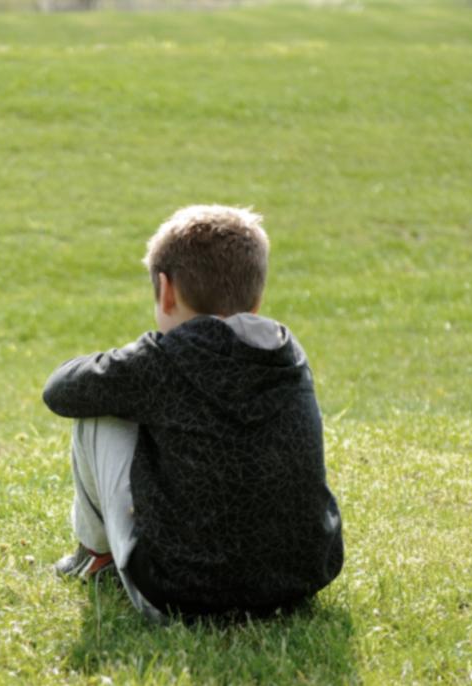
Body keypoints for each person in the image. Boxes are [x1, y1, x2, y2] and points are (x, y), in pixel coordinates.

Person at [42, 205, 343, 622]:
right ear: (256, 298)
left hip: (181, 595)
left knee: (96, 411)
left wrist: (134, 355)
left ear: (166, 291)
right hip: (299, 583)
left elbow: (60, 391)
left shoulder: (163, 360)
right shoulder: (288, 353)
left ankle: (95, 557)